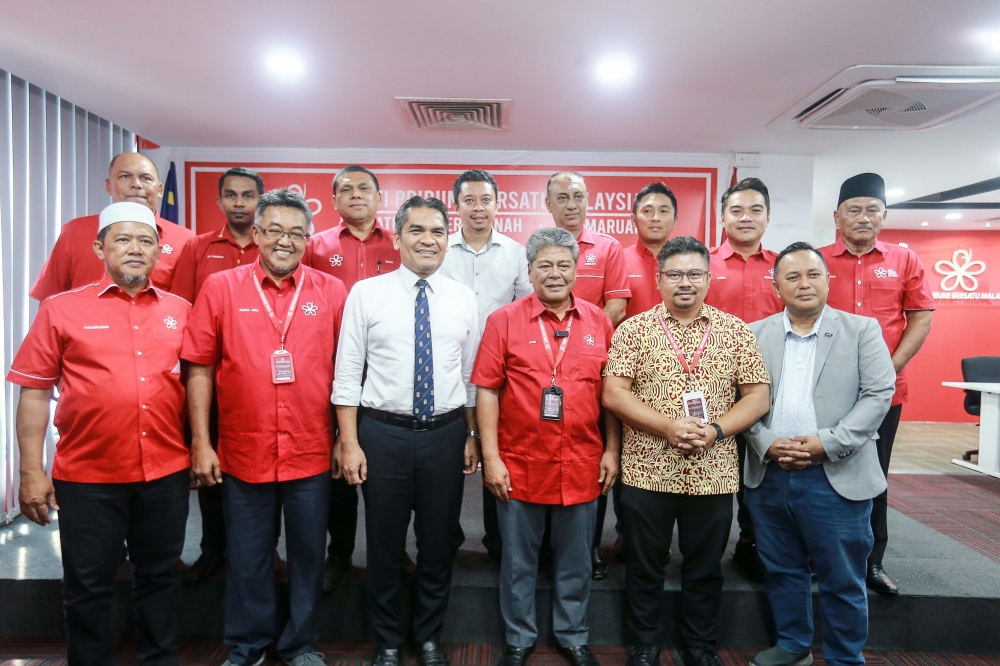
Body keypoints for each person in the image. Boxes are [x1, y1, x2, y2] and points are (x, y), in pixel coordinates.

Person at [10, 201, 192, 666]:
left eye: (146, 241)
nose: (136, 249)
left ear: (159, 251)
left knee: (160, 579)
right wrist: (31, 472)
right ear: (100, 247)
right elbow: (33, 391)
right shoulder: (61, 310)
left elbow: (199, 384)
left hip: (165, 473)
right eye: (124, 240)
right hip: (88, 477)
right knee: (88, 586)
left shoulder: (182, 311)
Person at [182, 188, 347, 666]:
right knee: (248, 557)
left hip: (311, 450)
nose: (285, 241)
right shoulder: (221, 288)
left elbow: (347, 369)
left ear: (308, 241)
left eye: (297, 233)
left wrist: (343, 439)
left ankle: (299, 644)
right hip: (243, 450)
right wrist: (201, 442)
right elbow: (199, 367)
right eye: (274, 230)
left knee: (308, 557)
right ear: (255, 234)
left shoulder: (331, 292)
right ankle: (248, 645)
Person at [602, 236, 771, 666]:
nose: (685, 282)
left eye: (694, 274)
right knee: (644, 565)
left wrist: (715, 430)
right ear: (658, 280)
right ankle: (644, 644)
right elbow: (614, 394)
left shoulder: (735, 331)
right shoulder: (633, 330)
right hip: (647, 467)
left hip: (714, 470)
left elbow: (757, 397)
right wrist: (667, 427)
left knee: (705, 566)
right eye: (674, 274)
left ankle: (699, 646)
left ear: (709, 279)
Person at [334, 196, 481, 666]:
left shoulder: (463, 297)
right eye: (417, 230)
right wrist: (350, 441)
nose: (428, 240)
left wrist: (472, 434)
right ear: (397, 238)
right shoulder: (366, 293)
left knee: (438, 541)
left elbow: (471, 376)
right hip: (383, 434)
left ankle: (430, 637)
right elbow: (346, 373)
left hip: (445, 432)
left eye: (438, 231)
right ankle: (389, 641)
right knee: (382, 541)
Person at [744, 242, 895, 666]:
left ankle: (846, 657)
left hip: (836, 474)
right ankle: (793, 646)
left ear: (828, 279)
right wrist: (765, 443)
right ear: (776, 286)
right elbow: (738, 400)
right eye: (791, 276)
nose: (803, 283)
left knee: (842, 577)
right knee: (782, 568)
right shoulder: (754, 334)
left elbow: (878, 394)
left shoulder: (861, 330)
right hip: (771, 473)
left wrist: (826, 443)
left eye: (813, 274)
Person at [473, 227, 619, 666]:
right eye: (545, 266)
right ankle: (519, 638)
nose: (555, 274)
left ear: (576, 271)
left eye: (564, 265)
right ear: (530, 271)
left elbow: (612, 395)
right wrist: (491, 457)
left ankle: (572, 635)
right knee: (518, 561)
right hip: (520, 463)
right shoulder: (503, 321)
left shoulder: (599, 322)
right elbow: (486, 391)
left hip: (582, 462)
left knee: (576, 561)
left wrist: (613, 450)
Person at [819, 172, 935, 596]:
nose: (863, 217)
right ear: (837, 216)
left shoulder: (905, 261)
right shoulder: (817, 261)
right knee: (821, 474)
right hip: (824, 393)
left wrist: (889, 369)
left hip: (885, 394)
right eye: (854, 210)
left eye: (872, 210)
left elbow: (920, 317)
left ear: (884, 215)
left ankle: (873, 562)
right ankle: (821, 555)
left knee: (873, 476)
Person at [303, 164, 401, 592]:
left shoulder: (400, 243)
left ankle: (397, 551)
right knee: (339, 468)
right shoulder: (315, 246)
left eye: (365, 188)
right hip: (333, 372)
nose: (355, 194)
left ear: (380, 198)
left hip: (389, 373)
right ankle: (339, 552)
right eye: (346, 189)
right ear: (334, 199)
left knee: (390, 470)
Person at [170, 166, 264, 584]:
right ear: (219, 201)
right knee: (211, 466)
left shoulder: (274, 245)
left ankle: (265, 553)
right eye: (232, 195)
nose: (240, 202)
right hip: (210, 376)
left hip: (263, 381)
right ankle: (213, 549)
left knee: (262, 478)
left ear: (260, 200)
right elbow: (181, 310)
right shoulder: (198, 247)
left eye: (247, 195)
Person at [439, 169, 532, 562]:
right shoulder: (438, 249)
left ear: (498, 204)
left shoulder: (516, 253)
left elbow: (529, 307)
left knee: (497, 455)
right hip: (446, 369)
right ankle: (445, 538)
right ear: (456, 205)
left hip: (502, 376)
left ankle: (498, 543)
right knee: (446, 458)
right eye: (470, 200)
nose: (479, 208)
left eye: (486, 200)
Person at [546, 171, 631, 578]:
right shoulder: (540, 249)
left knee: (592, 458)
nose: (571, 204)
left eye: (578, 196)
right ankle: (547, 546)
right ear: (548, 205)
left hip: (593, 365)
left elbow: (616, 305)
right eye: (562, 197)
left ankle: (590, 547)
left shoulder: (608, 247)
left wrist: (581, 334)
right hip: (544, 367)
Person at [704, 177, 784, 582]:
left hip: (768, 389)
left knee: (762, 469)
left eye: (755, 210)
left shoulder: (782, 267)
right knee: (719, 465)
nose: (746, 218)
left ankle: (753, 544)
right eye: (736, 210)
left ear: (768, 218)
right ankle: (704, 548)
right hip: (714, 389)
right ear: (722, 217)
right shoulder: (705, 265)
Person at [30, 152, 193, 299]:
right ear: (109, 186)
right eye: (125, 176)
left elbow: (187, 306)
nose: (136, 184)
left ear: (160, 190)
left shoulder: (186, 240)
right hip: (85, 330)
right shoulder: (75, 231)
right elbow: (50, 298)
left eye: (146, 178)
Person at [624, 183, 678, 320]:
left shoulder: (686, 264)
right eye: (647, 211)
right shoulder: (618, 260)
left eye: (664, 211)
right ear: (633, 220)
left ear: (675, 220)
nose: (655, 218)